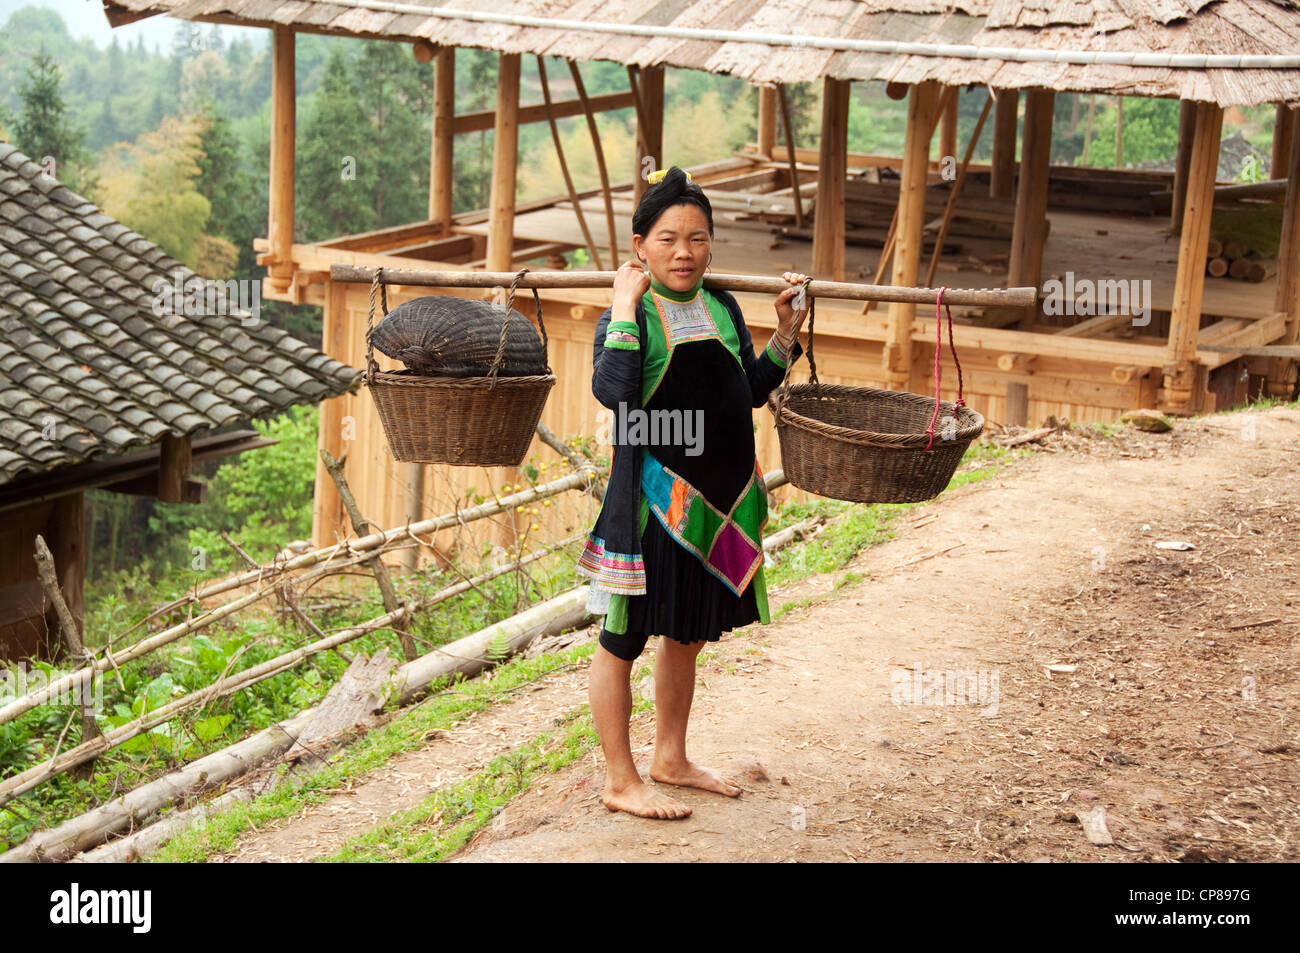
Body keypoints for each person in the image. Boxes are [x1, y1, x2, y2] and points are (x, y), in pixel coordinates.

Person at [577, 165, 810, 819]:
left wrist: (786, 335)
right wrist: (624, 304)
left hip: (719, 510)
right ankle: (621, 779)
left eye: (698, 238)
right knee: (622, 638)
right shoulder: (630, 316)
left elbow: (748, 391)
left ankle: (670, 756)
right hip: (653, 506)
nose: (684, 252)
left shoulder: (723, 306)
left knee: (686, 636)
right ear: (640, 248)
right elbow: (616, 396)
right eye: (669, 238)